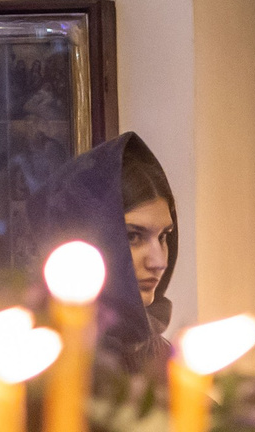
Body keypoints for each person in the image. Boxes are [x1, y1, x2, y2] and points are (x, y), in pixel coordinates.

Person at [25, 132, 180, 372]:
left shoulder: (160, 356)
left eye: (163, 237)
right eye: (133, 236)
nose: (158, 261)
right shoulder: (37, 361)